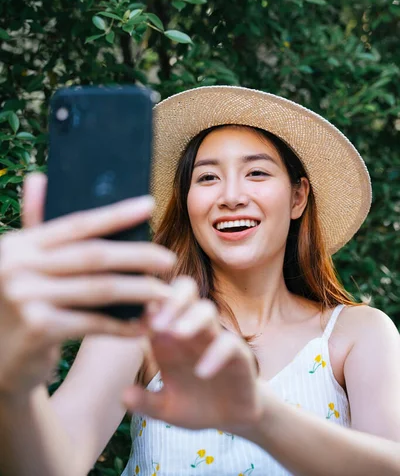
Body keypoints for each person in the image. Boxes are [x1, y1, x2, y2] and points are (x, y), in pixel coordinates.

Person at [0, 85, 399, 476]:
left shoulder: (357, 333)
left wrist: (258, 416)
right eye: (207, 178)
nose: (230, 196)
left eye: (256, 172)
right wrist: (14, 389)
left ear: (298, 197)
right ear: (188, 203)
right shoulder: (142, 324)